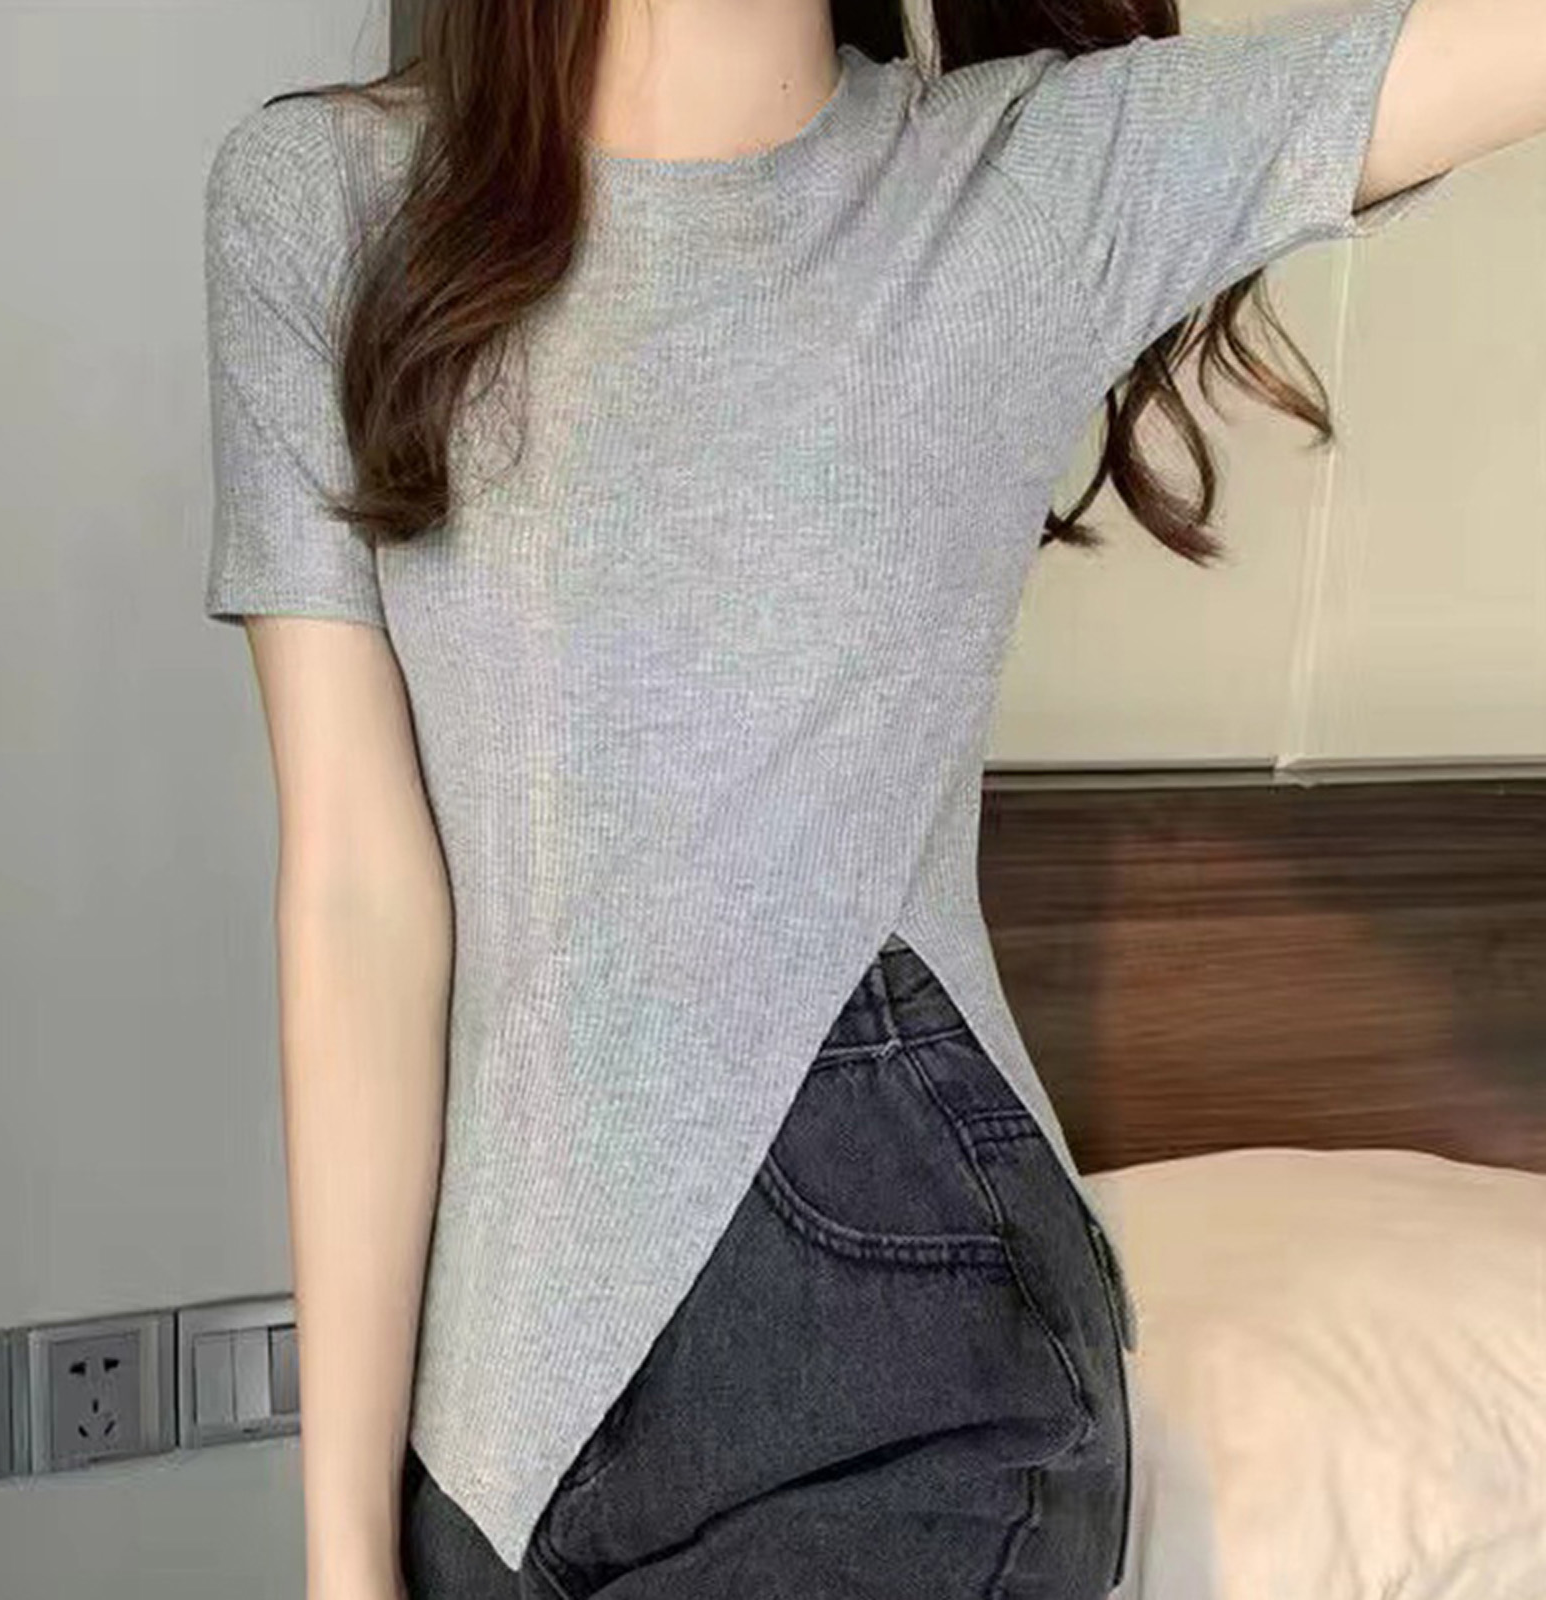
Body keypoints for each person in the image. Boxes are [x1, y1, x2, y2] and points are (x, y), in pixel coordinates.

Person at [199, 0, 1525, 1593]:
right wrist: (344, 1552)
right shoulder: (325, 203)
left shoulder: (1033, 181)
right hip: (483, 1432)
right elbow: (358, 892)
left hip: (903, 1356)